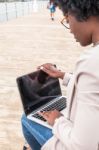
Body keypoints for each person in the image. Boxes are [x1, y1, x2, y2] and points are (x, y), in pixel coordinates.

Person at [21, 0, 99, 149]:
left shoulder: (91, 61)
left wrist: (58, 120)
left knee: (26, 119)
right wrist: (63, 75)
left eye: (67, 20)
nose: (69, 30)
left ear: (79, 11)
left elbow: (83, 146)